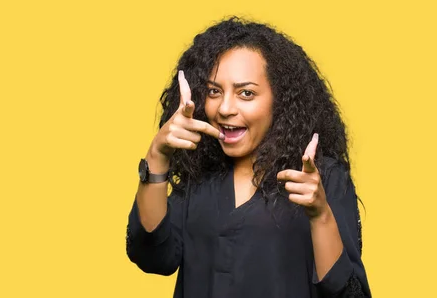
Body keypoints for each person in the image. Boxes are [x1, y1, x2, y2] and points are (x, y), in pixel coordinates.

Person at [125, 17, 371, 297]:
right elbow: (152, 257)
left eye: (246, 93)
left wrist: (320, 214)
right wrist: (157, 156)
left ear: (279, 99)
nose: (225, 108)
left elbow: (350, 294)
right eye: (214, 91)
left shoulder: (324, 180)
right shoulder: (200, 179)